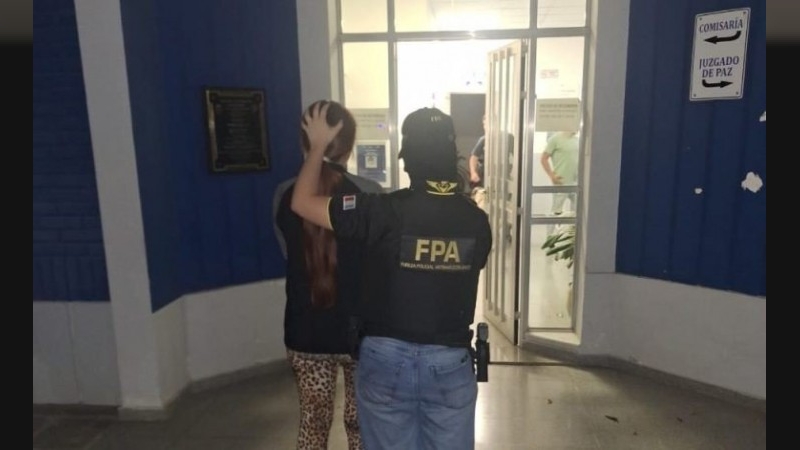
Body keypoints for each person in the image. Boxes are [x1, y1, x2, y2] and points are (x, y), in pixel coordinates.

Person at [291, 103, 492, 450]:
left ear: (407, 160)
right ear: (452, 156)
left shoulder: (380, 210)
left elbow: (302, 202)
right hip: (449, 362)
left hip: (384, 361)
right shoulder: (476, 222)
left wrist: (318, 146)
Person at [273, 100, 381, 450]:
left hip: (305, 328)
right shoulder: (370, 193)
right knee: (361, 422)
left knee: (313, 420)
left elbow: (289, 253)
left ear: (303, 141)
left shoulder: (285, 194)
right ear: (350, 146)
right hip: (359, 332)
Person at [540, 131, 579, 217]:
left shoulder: (577, 140)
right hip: (561, 181)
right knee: (556, 212)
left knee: (578, 212)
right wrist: (551, 176)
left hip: (576, 182)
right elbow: (543, 158)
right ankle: (552, 226)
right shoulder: (555, 139)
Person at [468, 115, 486, 190]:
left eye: (487, 124)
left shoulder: (508, 138)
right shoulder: (483, 140)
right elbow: (474, 157)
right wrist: (473, 172)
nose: (485, 127)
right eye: (484, 124)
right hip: (486, 174)